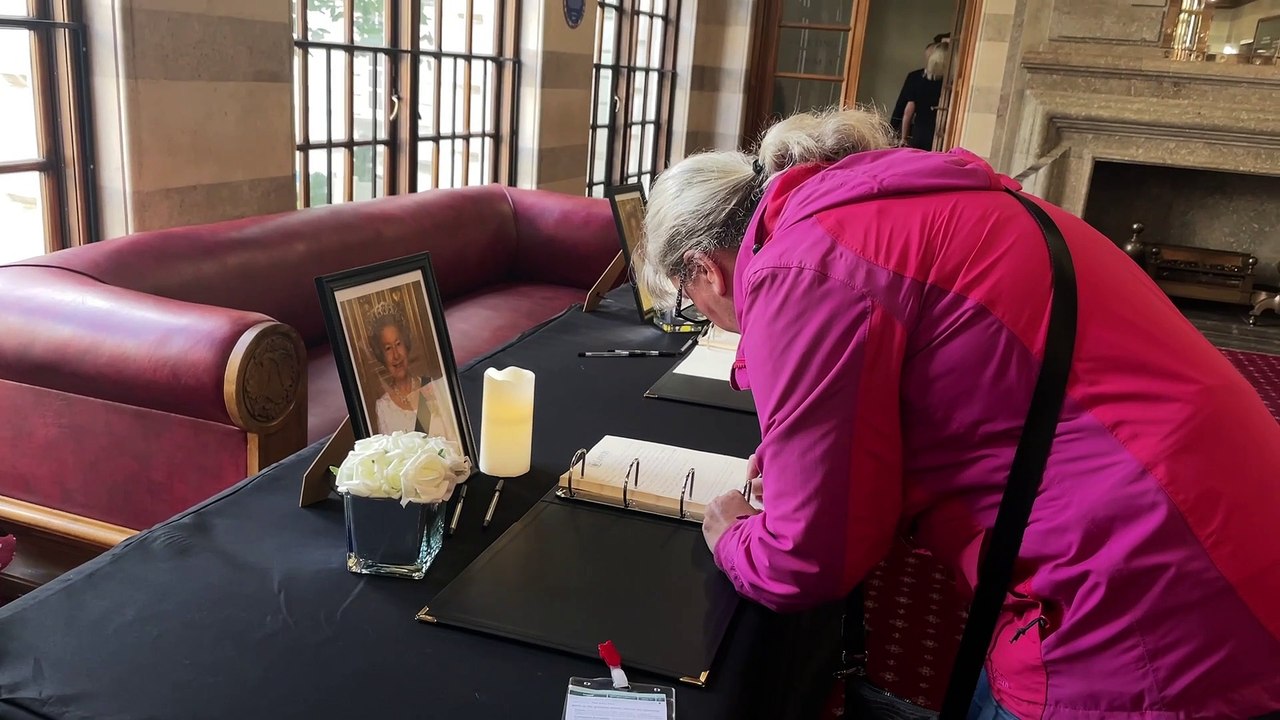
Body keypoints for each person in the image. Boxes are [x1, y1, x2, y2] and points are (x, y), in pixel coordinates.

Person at [637, 107, 1280, 718]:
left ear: (704, 270)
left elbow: (810, 556)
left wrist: (731, 535)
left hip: (1147, 599)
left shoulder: (801, 265)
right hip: (1230, 526)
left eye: (692, 305)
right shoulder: (894, 205)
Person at [365, 300, 457, 441]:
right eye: (388, 348)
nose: (396, 355)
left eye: (398, 343)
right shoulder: (383, 408)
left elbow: (454, 438)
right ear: (381, 355)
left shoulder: (431, 386)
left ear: (406, 345)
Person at [889, 33, 948, 137]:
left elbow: (908, 110)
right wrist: (892, 131)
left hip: (941, 130)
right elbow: (903, 107)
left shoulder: (951, 80)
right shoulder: (915, 77)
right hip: (922, 128)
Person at [900, 38, 949, 150]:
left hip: (920, 131)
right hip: (941, 132)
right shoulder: (949, 84)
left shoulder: (918, 79)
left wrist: (904, 137)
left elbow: (908, 112)